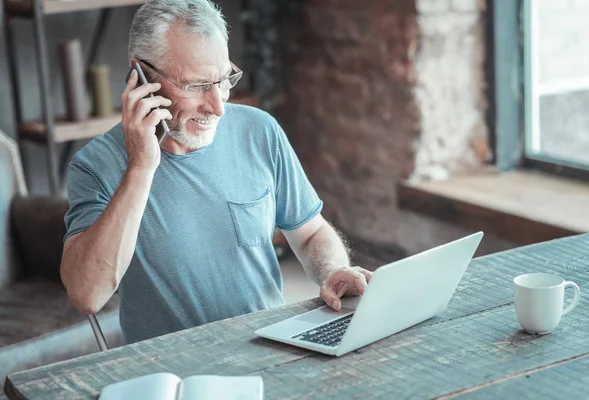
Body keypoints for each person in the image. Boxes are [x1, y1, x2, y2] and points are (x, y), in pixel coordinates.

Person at [60, 0, 372, 344]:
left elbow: (311, 233)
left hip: (269, 350)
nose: (218, 107)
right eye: (195, 86)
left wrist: (332, 270)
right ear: (141, 76)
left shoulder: (260, 130)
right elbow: (88, 295)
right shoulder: (96, 165)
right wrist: (140, 167)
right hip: (170, 373)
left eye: (223, 80)